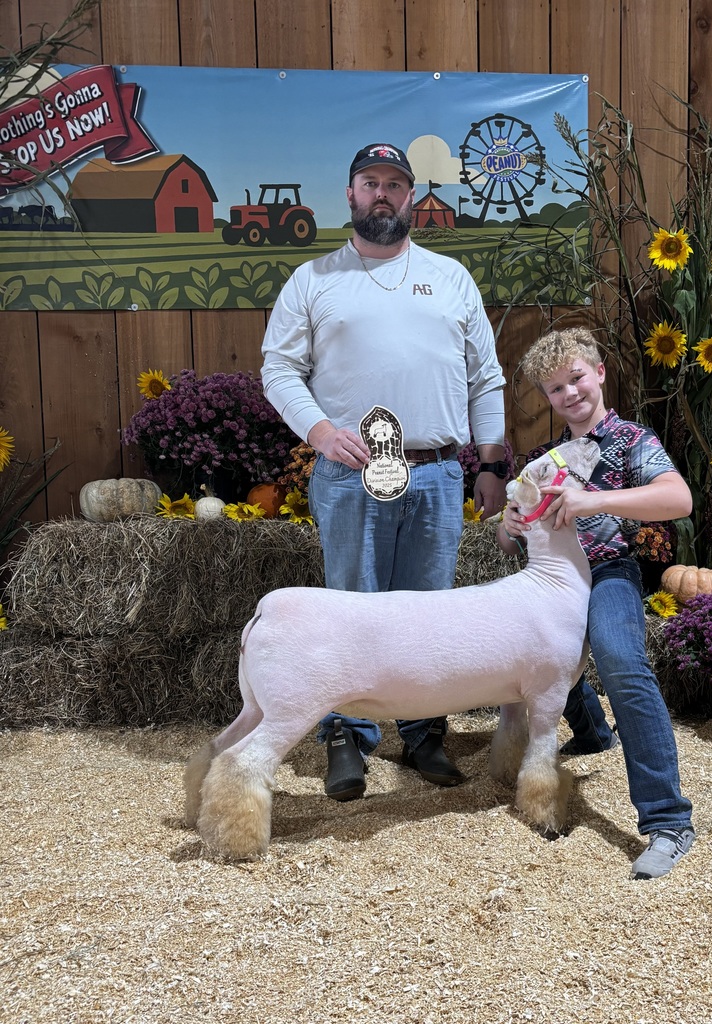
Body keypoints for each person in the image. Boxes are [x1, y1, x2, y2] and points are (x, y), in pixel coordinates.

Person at [261, 142, 508, 802]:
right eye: (369, 182)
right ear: (349, 194)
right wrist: (317, 430)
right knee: (353, 612)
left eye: (394, 184)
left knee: (429, 613)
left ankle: (425, 733)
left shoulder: (451, 277)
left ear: (410, 197)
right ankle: (348, 736)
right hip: (350, 474)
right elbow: (278, 369)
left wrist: (491, 464)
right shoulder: (313, 280)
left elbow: (486, 377)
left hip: (433, 475)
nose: (382, 194)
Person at [496, 326, 695, 880]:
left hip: (608, 571)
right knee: (529, 652)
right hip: (551, 577)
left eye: (577, 378)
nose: (570, 394)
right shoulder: (543, 461)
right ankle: (590, 732)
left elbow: (679, 499)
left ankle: (668, 821)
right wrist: (510, 523)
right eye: (555, 389)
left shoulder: (634, 441)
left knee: (621, 661)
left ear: (600, 373)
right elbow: (510, 537)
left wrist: (593, 500)